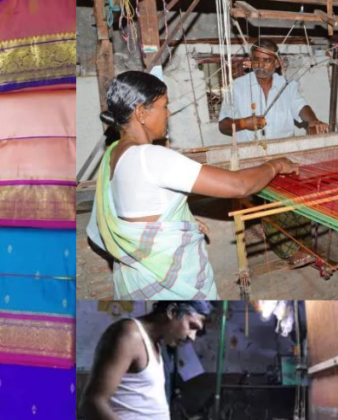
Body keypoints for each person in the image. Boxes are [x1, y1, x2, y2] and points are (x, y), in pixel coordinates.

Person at [86, 71, 299, 299]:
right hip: (167, 286)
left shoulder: (114, 153)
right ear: (141, 113)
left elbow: (140, 207)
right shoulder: (151, 158)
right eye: (164, 106)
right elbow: (240, 186)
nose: (168, 113)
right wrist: (275, 165)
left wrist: (179, 222)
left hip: (135, 279)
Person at [82, 301, 211, 420]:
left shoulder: (157, 347)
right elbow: (92, 403)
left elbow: (137, 402)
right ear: (172, 311)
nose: (191, 337)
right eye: (192, 326)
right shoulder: (129, 334)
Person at [218, 39, 329, 267]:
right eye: (256, 59)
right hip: (254, 157)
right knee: (273, 205)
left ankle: (303, 244)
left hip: (284, 155)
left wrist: (313, 120)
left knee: (299, 202)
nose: (261, 65)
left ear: (277, 63)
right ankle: (288, 251)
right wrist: (243, 123)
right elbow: (223, 124)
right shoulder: (237, 87)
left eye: (267, 60)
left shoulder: (287, 86)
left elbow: (301, 108)